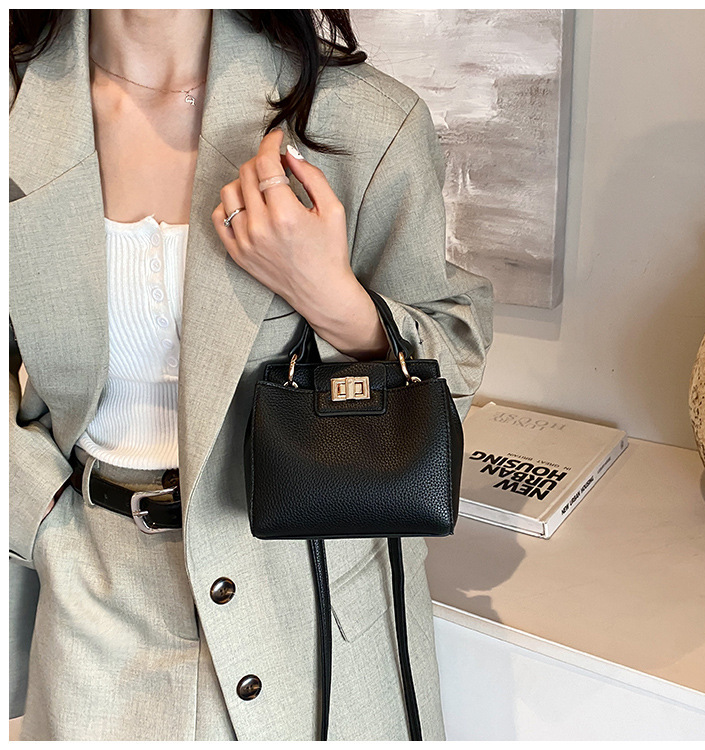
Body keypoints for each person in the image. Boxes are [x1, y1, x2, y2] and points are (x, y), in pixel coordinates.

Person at [9, 8, 494, 741]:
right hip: (91, 599)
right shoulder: (17, 109)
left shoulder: (362, 120)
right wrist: (42, 515)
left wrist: (332, 300)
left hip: (313, 606)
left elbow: (453, 360)